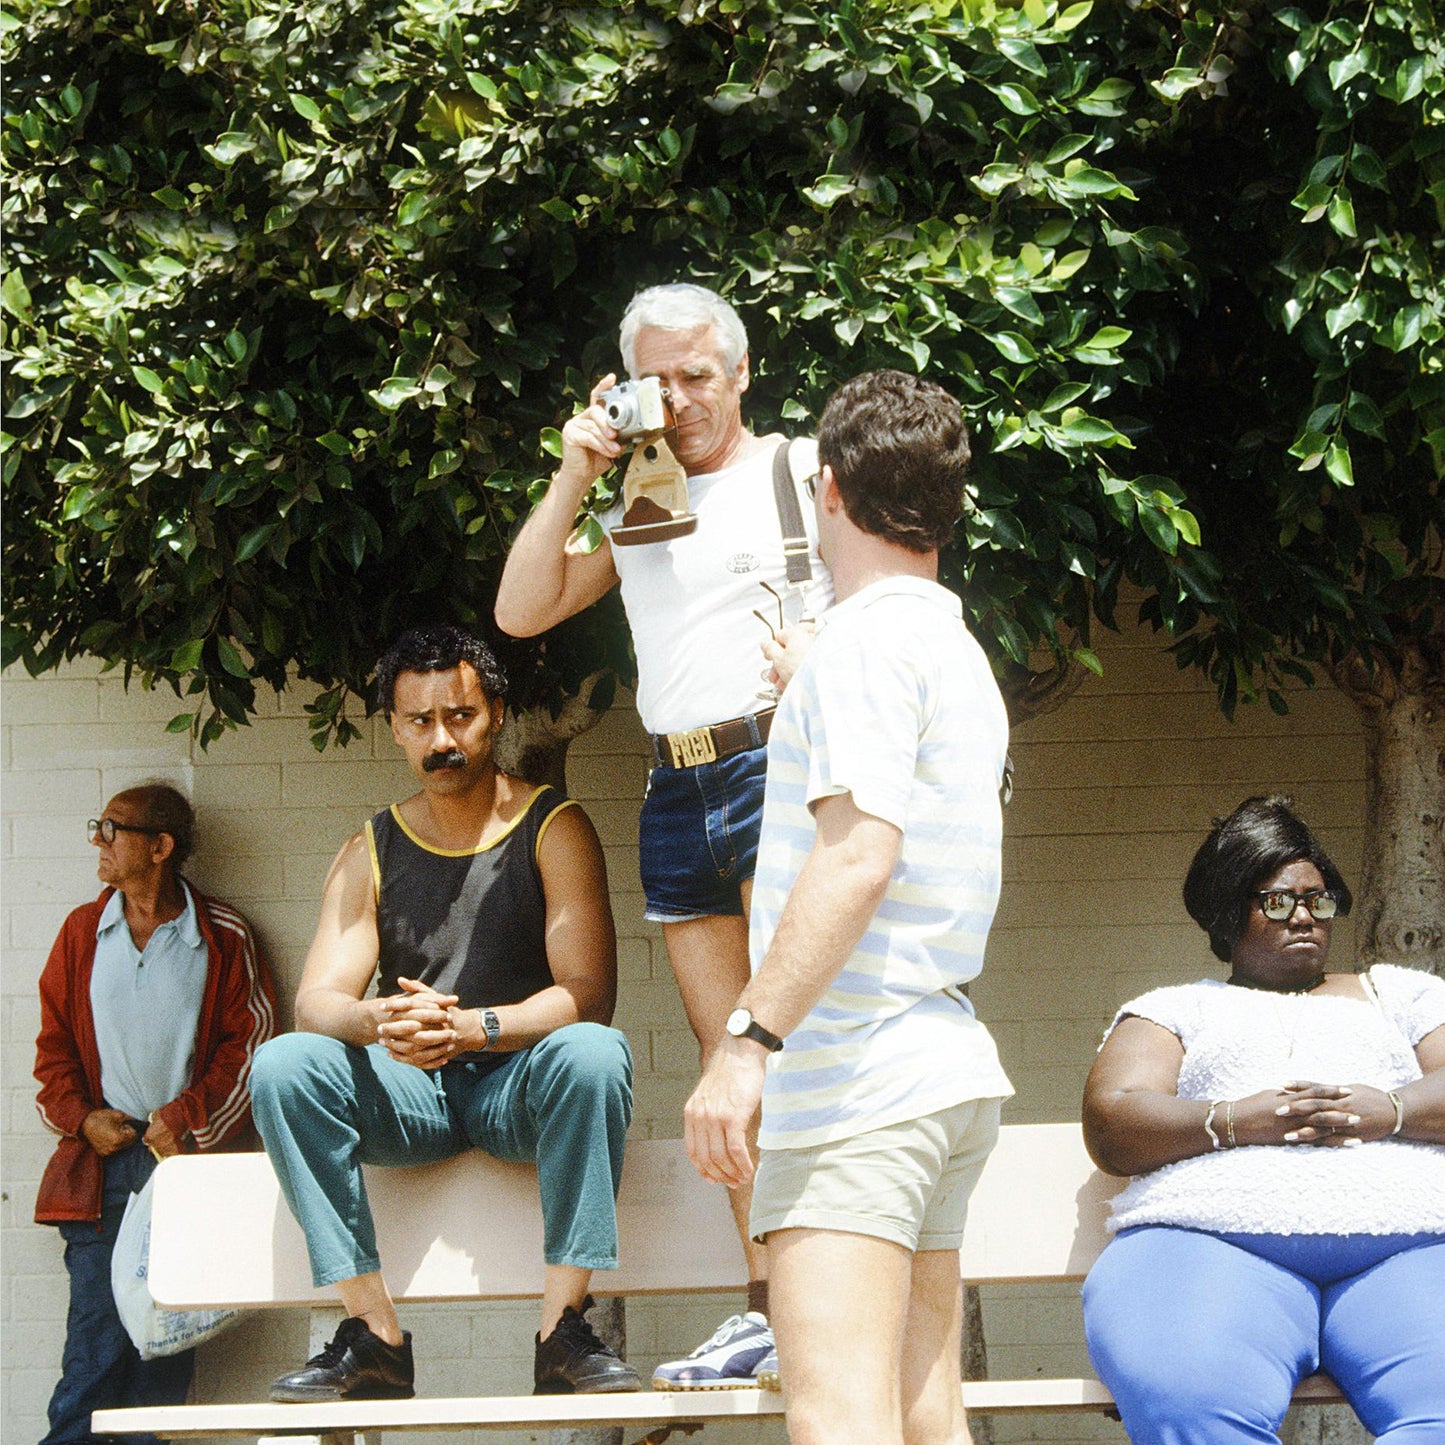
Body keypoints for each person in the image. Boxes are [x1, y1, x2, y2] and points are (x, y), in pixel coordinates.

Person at [495, 282, 833, 1386]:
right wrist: (573, 470)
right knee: (720, 1053)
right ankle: (766, 1303)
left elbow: (895, 595)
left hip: (777, 764)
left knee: (784, 1043)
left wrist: (823, 670)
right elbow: (520, 608)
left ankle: (825, 1295)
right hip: (675, 781)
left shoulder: (798, 468)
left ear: (739, 373)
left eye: (698, 374)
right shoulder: (638, 500)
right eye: (658, 378)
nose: (680, 398)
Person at [684, 370, 1015, 1445]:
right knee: (926, 1419)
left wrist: (744, 1041)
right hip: (939, 1066)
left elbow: (856, 857)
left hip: (856, 1079)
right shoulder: (947, 652)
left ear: (826, 491)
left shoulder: (862, 653)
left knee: (837, 1420)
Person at [249, 626, 640, 1402]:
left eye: (458, 715)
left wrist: (478, 1028)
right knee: (284, 1063)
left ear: (494, 712)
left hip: (515, 1088)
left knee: (595, 1051)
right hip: (410, 1093)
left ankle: (562, 1331)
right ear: (394, 727)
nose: (441, 739)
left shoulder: (552, 826)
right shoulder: (370, 844)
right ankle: (373, 1335)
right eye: (419, 721)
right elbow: (316, 999)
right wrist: (381, 1021)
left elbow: (588, 989)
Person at [1081, 794, 1445, 1444]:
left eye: (1317, 898)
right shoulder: (1173, 1008)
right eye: (1277, 900)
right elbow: (1114, 1118)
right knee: (1191, 1401)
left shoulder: (1399, 994)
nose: (1304, 915)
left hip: (1414, 1245)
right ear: (1228, 911)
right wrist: (1235, 1119)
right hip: (1208, 1244)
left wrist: (1390, 1108)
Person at [34, 784, 278, 1445]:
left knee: (160, 1363)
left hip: (186, 1172)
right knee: (92, 1353)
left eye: (111, 829)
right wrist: (83, 1119)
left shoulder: (222, 935)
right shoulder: (82, 933)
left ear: (159, 846)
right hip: (104, 1172)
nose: (98, 841)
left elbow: (250, 1049)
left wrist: (187, 1119)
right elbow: (52, 1054)